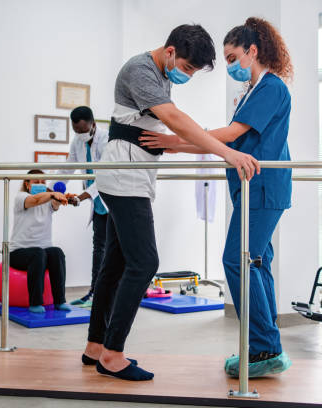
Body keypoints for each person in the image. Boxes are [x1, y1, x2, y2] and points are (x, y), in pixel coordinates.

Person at [83, 24, 260, 381]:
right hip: (124, 175)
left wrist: (176, 144)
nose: (188, 76)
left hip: (133, 173)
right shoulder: (141, 70)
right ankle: (113, 355)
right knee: (145, 262)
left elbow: (168, 129)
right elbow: (176, 120)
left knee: (115, 264)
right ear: (170, 53)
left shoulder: (160, 73)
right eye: (188, 68)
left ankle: (95, 347)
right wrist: (225, 152)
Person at [139, 17, 293, 378]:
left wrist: (178, 140)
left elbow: (232, 133)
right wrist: (179, 147)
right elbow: (225, 141)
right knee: (256, 263)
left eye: (232, 56)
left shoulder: (271, 87)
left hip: (264, 187)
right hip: (253, 188)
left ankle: (265, 348)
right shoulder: (251, 93)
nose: (230, 66)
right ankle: (266, 347)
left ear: (252, 51)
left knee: (236, 262)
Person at [50, 106, 109, 308]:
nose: (80, 135)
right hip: (99, 205)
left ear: (93, 124)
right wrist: (51, 189)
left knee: (117, 251)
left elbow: (105, 177)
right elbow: (68, 166)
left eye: (83, 131)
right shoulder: (77, 142)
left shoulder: (107, 139)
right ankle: (95, 293)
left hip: (115, 201)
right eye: (76, 131)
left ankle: (111, 294)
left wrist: (81, 197)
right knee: (99, 248)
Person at [9, 170, 73, 313]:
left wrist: (60, 198)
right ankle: (35, 303)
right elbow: (36, 200)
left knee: (56, 252)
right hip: (17, 253)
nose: (40, 184)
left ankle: (60, 301)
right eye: (36, 182)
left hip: (41, 252)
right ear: (27, 184)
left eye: (43, 182)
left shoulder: (48, 200)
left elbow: (55, 205)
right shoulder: (21, 197)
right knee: (38, 254)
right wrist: (52, 194)